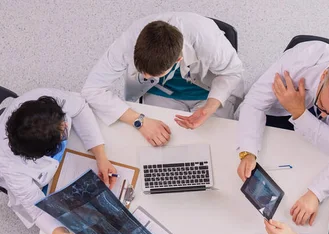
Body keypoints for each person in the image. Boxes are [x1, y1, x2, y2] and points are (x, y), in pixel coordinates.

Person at [0, 88, 117, 234]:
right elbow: (37, 209)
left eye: (63, 120)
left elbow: (80, 108)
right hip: (23, 175)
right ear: (44, 153)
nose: (67, 124)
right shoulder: (13, 169)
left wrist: (101, 156)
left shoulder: (45, 103)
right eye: (63, 131)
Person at [82, 12, 244, 147]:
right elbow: (92, 89)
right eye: (142, 71)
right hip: (161, 92)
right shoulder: (129, 41)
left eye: (152, 74)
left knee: (213, 147)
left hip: (209, 92)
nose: (144, 77)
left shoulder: (208, 40)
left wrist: (209, 107)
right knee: (159, 145)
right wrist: (139, 121)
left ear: (178, 60)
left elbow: (233, 72)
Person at [236, 41, 329, 182]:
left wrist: (299, 112)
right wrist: (248, 152)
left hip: (314, 117)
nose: (323, 115)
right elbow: (254, 103)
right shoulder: (298, 61)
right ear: (323, 76)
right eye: (322, 106)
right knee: (269, 150)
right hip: (284, 106)